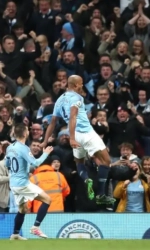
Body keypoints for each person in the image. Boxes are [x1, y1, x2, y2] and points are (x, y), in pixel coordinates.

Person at [41, 75, 115, 205]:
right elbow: (73, 116)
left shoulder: (59, 100)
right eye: (81, 84)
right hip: (85, 133)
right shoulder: (77, 97)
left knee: (79, 162)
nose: (82, 86)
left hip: (73, 133)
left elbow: (53, 122)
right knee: (107, 161)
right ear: (75, 85)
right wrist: (72, 139)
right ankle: (101, 195)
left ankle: (86, 179)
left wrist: (45, 141)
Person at [6, 123, 54, 240]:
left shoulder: (10, 147)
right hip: (22, 184)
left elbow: (7, 164)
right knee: (47, 199)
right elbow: (36, 163)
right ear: (24, 133)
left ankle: (15, 234)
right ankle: (35, 227)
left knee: (23, 209)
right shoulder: (24, 148)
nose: (28, 132)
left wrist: (22, 171)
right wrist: (46, 153)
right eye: (27, 130)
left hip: (13, 184)